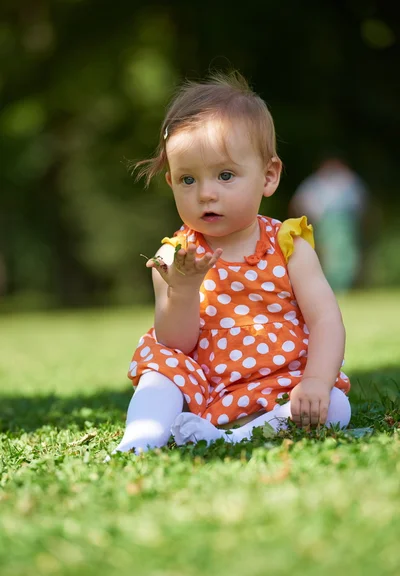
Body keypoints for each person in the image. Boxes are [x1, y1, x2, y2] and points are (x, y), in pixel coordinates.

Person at [114, 72, 351, 455]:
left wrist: (317, 381)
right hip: (202, 384)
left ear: (268, 176)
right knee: (159, 372)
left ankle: (234, 438)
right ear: (172, 183)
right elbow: (176, 344)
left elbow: (325, 319)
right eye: (188, 180)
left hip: (281, 381)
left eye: (225, 175)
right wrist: (184, 289)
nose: (206, 193)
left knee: (336, 407)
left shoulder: (288, 244)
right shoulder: (174, 256)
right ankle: (140, 440)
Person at [289, 155, 368, 292]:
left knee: (346, 255)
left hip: (344, 222)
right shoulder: (317, 182)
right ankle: (334, 286)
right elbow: (300, 203)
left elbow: (360, 203)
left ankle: (341, 286)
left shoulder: (347, 180)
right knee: (331, 255)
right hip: (327, 223)